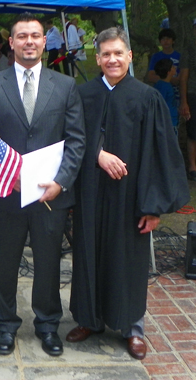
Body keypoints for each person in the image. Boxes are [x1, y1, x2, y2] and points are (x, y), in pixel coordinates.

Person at [68, 27, 189, 361]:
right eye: (105, 54)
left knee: (128, 261)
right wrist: (97, 154)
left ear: (130, 56)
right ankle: (88, 320)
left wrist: (153, 208)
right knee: (89, 255)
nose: (112, 59)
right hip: (91, 192)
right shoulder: (83, 95)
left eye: (118, 53)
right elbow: (69, 140)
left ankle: (133, 328)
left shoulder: (146, 97)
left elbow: (160, 154)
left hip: (130, 197)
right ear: (97, 58)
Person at [0, 12, 85, 357]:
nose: (29, 42)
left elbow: (76, 141)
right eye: (22, 36)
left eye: (35, 36)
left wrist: (61, 182)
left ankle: (48, 323)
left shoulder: (65, 85)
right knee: (6, 261)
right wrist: (9, 178)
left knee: (49, 262)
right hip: (8, 193)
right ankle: (6, 324)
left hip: (51, 195)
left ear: (44, 40)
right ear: (11, 42)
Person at [180, 21, 196, 180]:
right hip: (193, 93)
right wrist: (183, 101)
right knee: (193, 132)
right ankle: (193, 166)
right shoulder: (189, 50)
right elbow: (183, 77)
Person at [154, 58, 178, 134]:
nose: (175, 68)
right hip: (168, 122)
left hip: (172, 120)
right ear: (169, 72)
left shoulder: (166, 84)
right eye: (172, 67)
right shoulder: (163, 86)